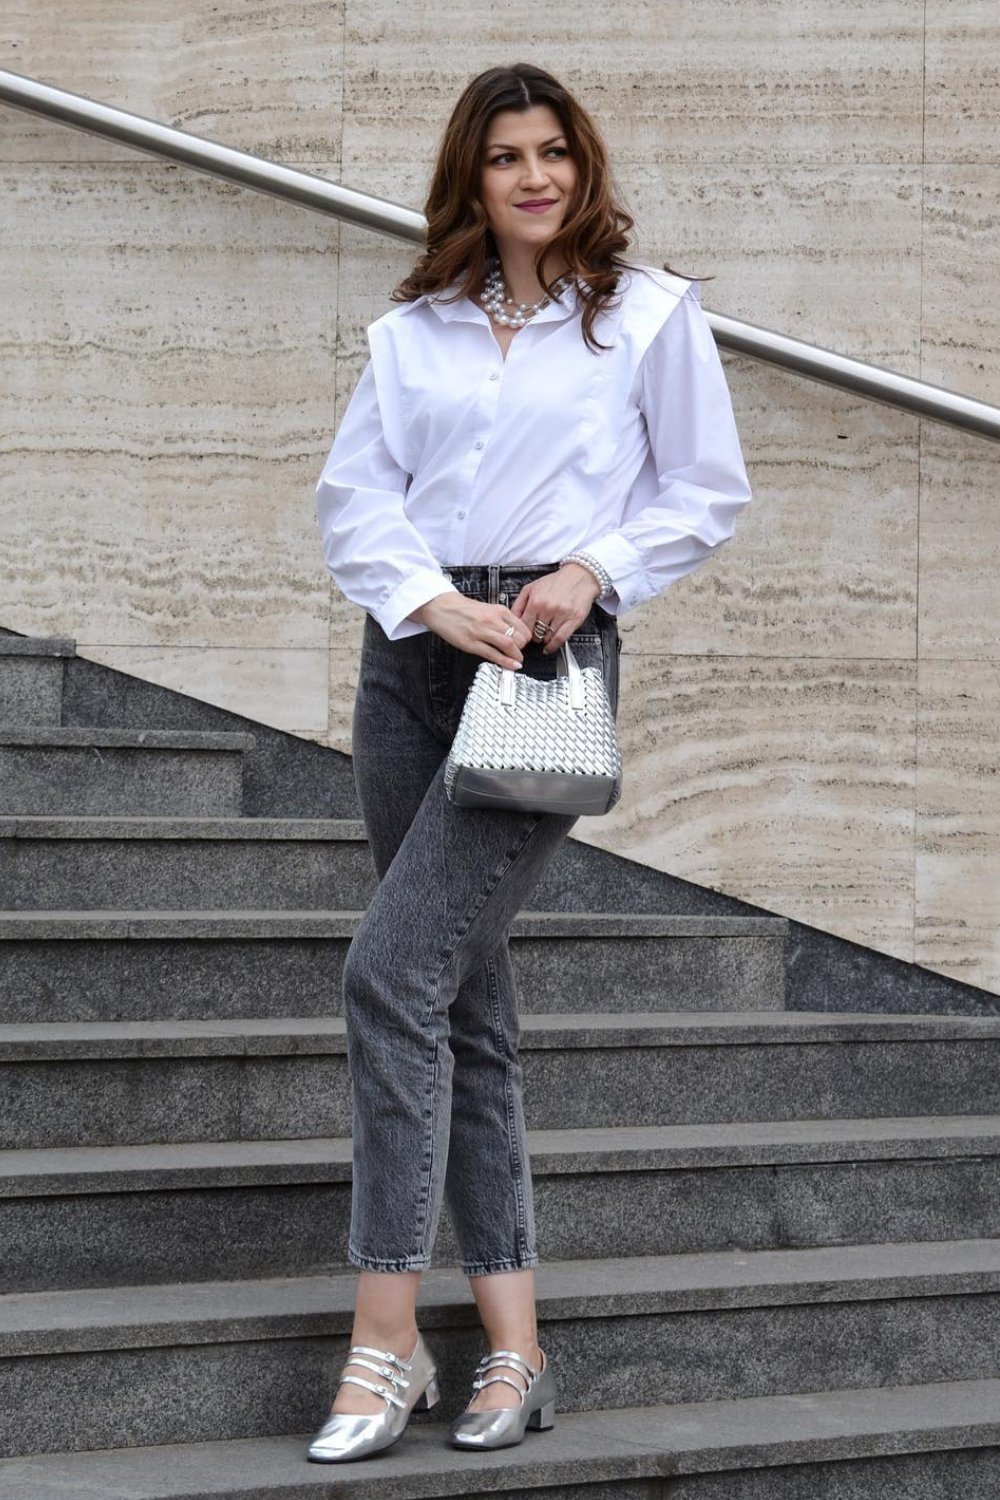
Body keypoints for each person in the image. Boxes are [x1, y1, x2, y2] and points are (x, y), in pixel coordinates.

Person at [307, 61, 752, 1463]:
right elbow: (353, 497)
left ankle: (384, 1345)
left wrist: (592, 568)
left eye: (554, 150)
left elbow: (706, 490)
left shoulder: (651, 318)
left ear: (584, 163)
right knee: (466, 1009)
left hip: (548, 659)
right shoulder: (417, 330)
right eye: (506, 156)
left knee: (391, 974)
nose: (535, 176)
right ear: (473, 177)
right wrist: (430, 601)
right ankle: (514, 1353)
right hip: (418, 657)